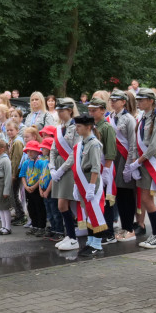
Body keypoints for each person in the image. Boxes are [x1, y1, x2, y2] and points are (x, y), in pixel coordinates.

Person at [125, 88, 156, 249]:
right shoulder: (143, 118)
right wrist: (135, 162)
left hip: (149, 163)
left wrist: (138, 162)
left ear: (151, 101)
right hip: (142, 163)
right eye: (138, 100)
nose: (138, 102)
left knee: (146, 200)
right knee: (144, 199)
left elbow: (153, 146)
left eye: (142, 100)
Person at [71, 113, 107, 259]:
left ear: (88, 127)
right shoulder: (83, 143)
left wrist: (92, 186)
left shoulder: (94, 144)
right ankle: (91, 241)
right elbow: (77, 165)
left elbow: (95, 167)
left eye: (79, 126)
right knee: (88, 212)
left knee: (95, 212)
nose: (76, 129)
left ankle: (97, 244)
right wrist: (75, 185)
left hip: (91, 181)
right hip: (82, 181)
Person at [109, 90, 140, 241]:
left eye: (116, 100)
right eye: (111, 99)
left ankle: (129, 227)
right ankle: (124, 226)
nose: (113, 102)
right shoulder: (110, 117)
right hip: (113, 158)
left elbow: (133, 144)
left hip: (125, 158)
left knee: (127, 193)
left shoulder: (129, 119)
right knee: (119, 194)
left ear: (123, 102)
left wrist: (129, 165)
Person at [51, 98, 81, 249]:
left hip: (69, 169)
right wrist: (51, 167)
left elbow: (75, 152)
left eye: (62, 110)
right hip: (58, 169)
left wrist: (62, 169)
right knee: (62, 205)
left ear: (70, 110)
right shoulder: (59, 128)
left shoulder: (76, 127)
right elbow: (53, 149)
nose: (60, 113)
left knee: (62, 205)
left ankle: (73, 238)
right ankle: (69, 235)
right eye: (58, 110)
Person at [87, 97, 117, 242]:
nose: (91, 113)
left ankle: (109, 232)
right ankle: (100, 229)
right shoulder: (92, 127)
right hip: (95, 169)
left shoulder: (106, 127)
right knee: (97, 201)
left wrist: (106, 171)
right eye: (90, 110)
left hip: (105, 167)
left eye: (95, 110)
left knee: (107, 201)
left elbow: (110, 151)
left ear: (103, 111)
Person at [19, 140, 46, 235]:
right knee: (31, 207)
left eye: (32, 151)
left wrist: (34, 186)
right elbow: (22, 175)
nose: (29, 153)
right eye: (28, 151)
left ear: (37, 151)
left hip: (37, 188)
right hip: (28, 188)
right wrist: (26, 186)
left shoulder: (41, 162)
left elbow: (42, 176)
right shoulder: (26, 163)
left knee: (40, 207)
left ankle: (41, 227)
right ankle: (34, 225)